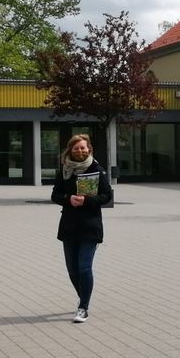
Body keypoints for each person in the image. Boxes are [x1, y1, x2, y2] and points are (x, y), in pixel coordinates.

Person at [51, 134, 113, 323]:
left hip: (89, 226)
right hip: (69, 226)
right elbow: (55, 194)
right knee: (72, 270)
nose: (80, 151)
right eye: (76, 148)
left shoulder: (97, 170)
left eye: (83, 148)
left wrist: (86, 200)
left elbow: (106, 196)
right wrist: (68, 199)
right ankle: (84, 297)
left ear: (89, 149)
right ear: (70, 150)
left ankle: (83, 307)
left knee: (84, 268)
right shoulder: (64, 170)